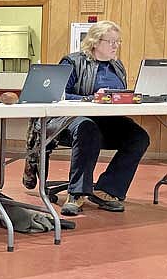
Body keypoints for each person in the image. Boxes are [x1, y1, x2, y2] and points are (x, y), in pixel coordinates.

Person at [46, 20, 150, 216]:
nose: (115, 46)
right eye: (110, 41)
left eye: (118, 42)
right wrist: (90, 98)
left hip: (106, 121)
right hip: (71, 122)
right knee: (88, 128)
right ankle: (77, 193)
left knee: (139, 137)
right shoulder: (72, 61)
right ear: (94, 42)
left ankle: (107, 190)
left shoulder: (117, 65)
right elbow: (58, 94)